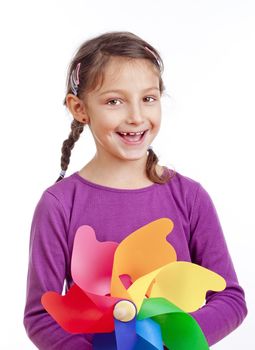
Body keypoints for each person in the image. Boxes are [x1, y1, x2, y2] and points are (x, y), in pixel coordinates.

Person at [23, 31, 247, 349]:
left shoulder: (190, 197)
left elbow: (230, 298)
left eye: (148, 98)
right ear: (79, 108)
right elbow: (40, 315)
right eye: (114, 101)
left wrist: (169, 339)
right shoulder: (59, 205)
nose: (136, 116)